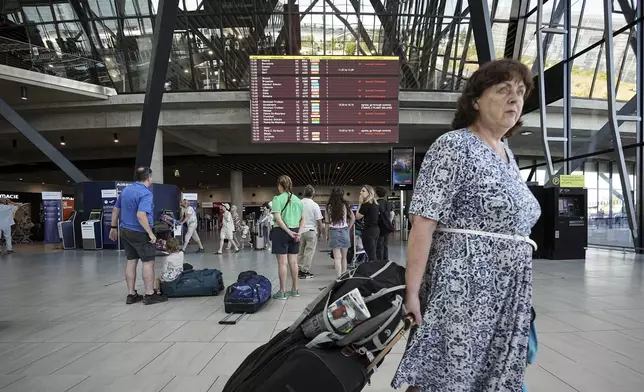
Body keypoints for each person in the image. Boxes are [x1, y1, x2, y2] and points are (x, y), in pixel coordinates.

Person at [392, 59, 541, 391]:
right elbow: (423, 222)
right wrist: (412, 293)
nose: (514, 100)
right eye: (503, 91)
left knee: (493, 374)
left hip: (508, 291)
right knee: (446, 371)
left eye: (519, 92)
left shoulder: (507, 153)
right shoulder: (453, 147)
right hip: (463, 286)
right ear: (476, 100)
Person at [109, 167, 167, 305]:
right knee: (148, 262)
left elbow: (116, 209)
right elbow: (141, 215)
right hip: (140, 232)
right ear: (148, 178)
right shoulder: (145, 193)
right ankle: (149, 294)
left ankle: (131, 294)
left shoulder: (126, 190)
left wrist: (113, 227)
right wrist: (150, 233)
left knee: (131, 261)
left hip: (125, 230)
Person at [270, 175, 304, 300]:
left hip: (281, 232)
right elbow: (303, 218)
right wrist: (298, 232)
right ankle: (295, 289)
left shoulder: (277, 199)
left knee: (282, 263)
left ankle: (282, 291)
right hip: (295, 231)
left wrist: (288, 232)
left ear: (280, 185)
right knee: (294, 262)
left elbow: (278, 219)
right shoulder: (298, 200)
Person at [326, 187, 355, 277]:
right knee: (344, 257)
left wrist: (326, 235)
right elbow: (353, 218)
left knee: (337, 257)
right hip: (344, 231)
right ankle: (344, 277)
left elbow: (327, 222)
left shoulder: (328, 206)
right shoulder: (346, 205)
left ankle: (338, 277)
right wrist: (348, 228)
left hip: (333, 232)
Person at [297, 185, 324, 279]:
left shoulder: (298, 203)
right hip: (311, 231)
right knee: (309, 252)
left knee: (300, 252)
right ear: (313, 194)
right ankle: (305, 271)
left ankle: (299, 269)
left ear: (304, 193)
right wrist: (320, 233)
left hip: (300, 231)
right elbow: (319, 221)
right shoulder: (314, 205)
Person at [355, 185, 379, 262]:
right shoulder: (375, 203)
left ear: (369, 192)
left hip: (368, 231)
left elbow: (357, 216)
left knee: (370, 254)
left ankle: (372, 271)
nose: (360, 192)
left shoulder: (366, 204)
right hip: (375, 230)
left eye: (363, 191)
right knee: (373, 252)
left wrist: (359, 203)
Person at [375, 186, 394, 261]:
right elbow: (392, 213)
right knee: (385, 245)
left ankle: (380, 261)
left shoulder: (375, 203)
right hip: (386, 226)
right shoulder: (388, 203)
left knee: (379, 245)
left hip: (378, 225)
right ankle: (386, 260)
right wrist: (389, 221)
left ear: (376, 194)